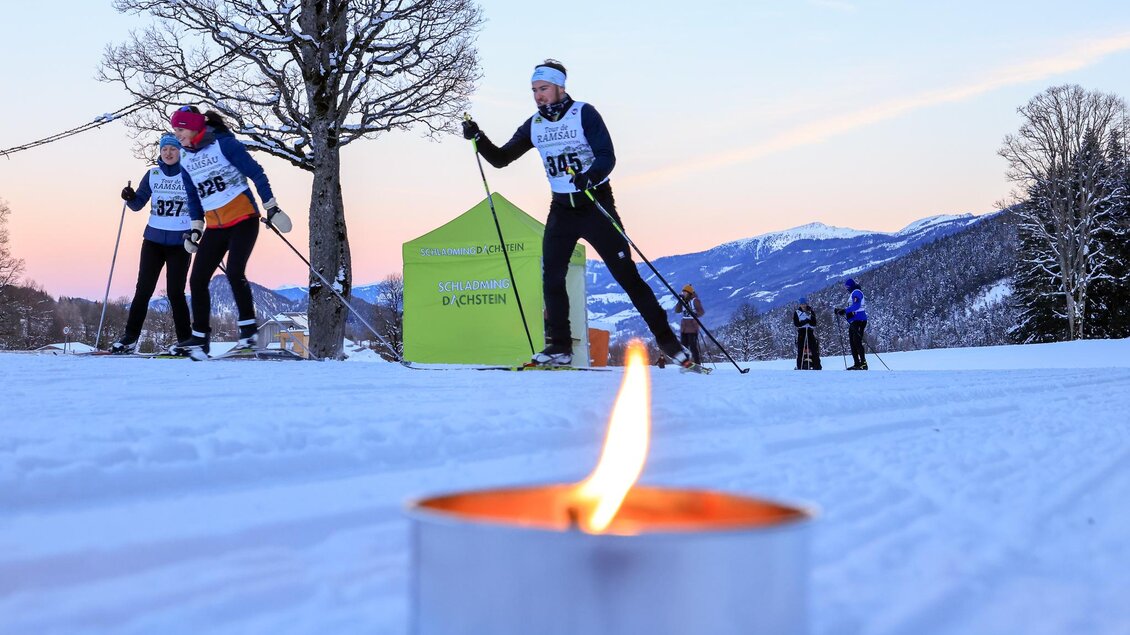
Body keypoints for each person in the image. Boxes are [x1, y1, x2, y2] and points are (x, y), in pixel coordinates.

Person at [461, 59, 692, 368]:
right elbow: (501, 159)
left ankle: (668, 342)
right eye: (534, 90)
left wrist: (590, 175)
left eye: (543, 89)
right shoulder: (535, 125)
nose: (538, 96)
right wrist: (478, 137)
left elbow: (607, 156)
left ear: (560, 87)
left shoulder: (584, 113)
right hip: (562, 210)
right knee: (552, 278)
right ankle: (559, 347)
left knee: (627, 277)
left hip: (594, 203)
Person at [169, 106, 292, 358]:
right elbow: (193, 196)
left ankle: (248, 331)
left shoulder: (224, 145)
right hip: (215, 227)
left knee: (235, 272)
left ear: (193, 127)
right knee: (197, 279)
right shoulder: (186, 158)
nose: (177, 135)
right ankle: (200, 339)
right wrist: (196, 229)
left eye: (180, 130)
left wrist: (271, 206)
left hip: (243, 219)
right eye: (175, 130)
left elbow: (256, 172)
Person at [110, 133, 193, 354]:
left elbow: (199, 206)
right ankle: (129, 338)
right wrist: (129, 197)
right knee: (143, 290)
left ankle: (186, 340)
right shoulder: (153, 174)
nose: (168, 153)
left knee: (175, 292)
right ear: (160, 152)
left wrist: (198, 231)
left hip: (180, 242)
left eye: (173, 149)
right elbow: (138, 204)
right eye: (165, 149)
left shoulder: (189, 175)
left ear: (180, 152)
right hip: (153, 241)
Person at [834, 278, 868, 370]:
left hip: (859, 320)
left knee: (857, 341)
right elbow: (852, 307)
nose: (847, 289)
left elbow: (856, 306)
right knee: (853, 342)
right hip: (854, 320)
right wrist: (841, 310)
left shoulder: (856, 292)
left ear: (851, 286)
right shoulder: (853, 294)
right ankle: (857, 363)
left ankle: (863, 363)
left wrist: (844, 311)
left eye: (847, 287)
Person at [673, 284, 706, 365]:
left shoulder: (695, 300)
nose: (683, 293)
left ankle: (697, 363)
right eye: (683, 292)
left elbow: (701, 311)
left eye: (685, 292)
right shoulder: (683, 301)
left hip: (692, 326)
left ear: (689, 293)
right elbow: (677, 310)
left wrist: (695, 314)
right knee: (684, 346)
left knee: (693, 346)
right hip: (684, 326)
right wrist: (680, 301)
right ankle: (686, 363)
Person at [793, 297, 822, 370]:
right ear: (800, 304)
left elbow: (814, 323)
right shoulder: (797, 312)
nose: (803, 305)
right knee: (800, 350)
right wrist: (804, 322)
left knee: (814, 349)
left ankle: (817, 366)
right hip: (801, 332)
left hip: (809, 331)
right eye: (802, 304)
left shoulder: (810, 311)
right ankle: (799, 366)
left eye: (804, 304)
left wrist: (809, 322)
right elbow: (796, 324)